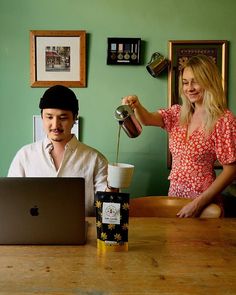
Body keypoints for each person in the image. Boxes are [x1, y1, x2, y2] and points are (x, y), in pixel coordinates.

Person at [122, 54, 236, 217]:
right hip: (174, 195)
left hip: (204, 201)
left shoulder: (224, 120)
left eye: (196, 81)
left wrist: (198, 203)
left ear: (209, 81)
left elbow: (231, 170)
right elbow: (147, 119)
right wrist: (137, 105)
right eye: (185, 82)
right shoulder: (177, 113)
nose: (190, 88)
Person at [8, 85, 110, 216]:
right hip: (33, 232)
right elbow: (12, 201)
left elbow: (106, 206)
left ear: (74, 119)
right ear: (42, 117)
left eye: (63, 118)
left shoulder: (96, 159)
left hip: (82, 231)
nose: (55, 125)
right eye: (49, 117)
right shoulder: (25, 155)